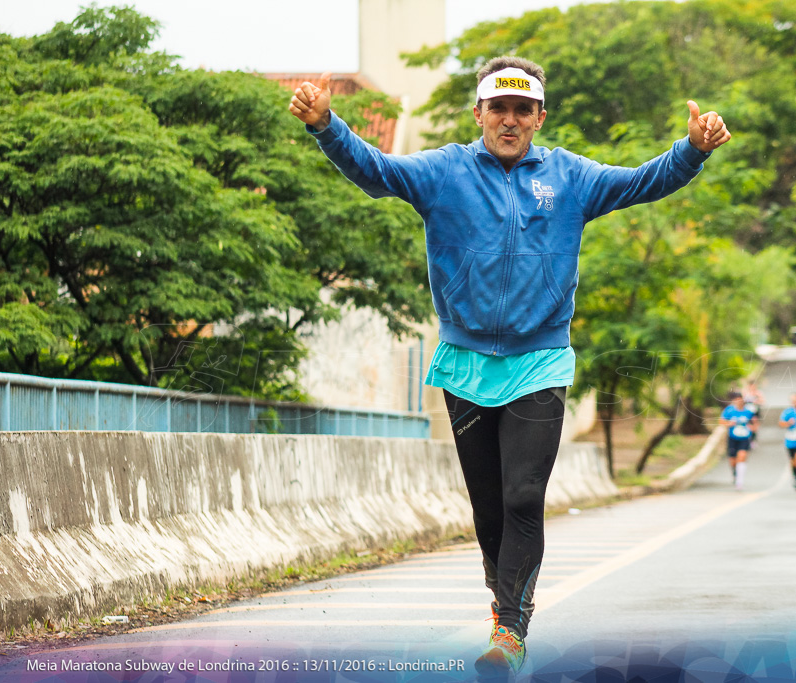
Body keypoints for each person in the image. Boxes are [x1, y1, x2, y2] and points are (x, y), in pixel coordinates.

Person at [288, 56, 730, 675]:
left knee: (524, 496)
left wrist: (691, 150)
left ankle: (510, 629)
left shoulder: (571, 177)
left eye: (524, 109)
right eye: (499, 107)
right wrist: (326, 126)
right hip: (466, 361)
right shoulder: (444, 171)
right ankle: (506, 602)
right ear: (480, 113)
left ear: (539, 117)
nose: (510, 119)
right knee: (489, 506)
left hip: (540, 360)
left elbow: (641, 182)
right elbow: (378, 172)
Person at [720, 392, 757, 491]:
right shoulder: (729, 410)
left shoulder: (748, 411)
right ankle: (735, 474)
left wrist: (753, 428)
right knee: (733, 461)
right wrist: (729, 423)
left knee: (742, 457)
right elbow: (721, 421)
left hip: (744, 438)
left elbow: (755, 421)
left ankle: (739, 482)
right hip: (733, 437)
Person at [742, 380, 765, 449]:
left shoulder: (758, 393)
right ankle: (748, 439)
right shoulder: (745, 393)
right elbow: (741, 401)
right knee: (748, 425)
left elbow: (762, 401)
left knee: (755, 426)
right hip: (747, 412)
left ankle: (753, 440)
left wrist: (756, 401)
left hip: (755, 411)